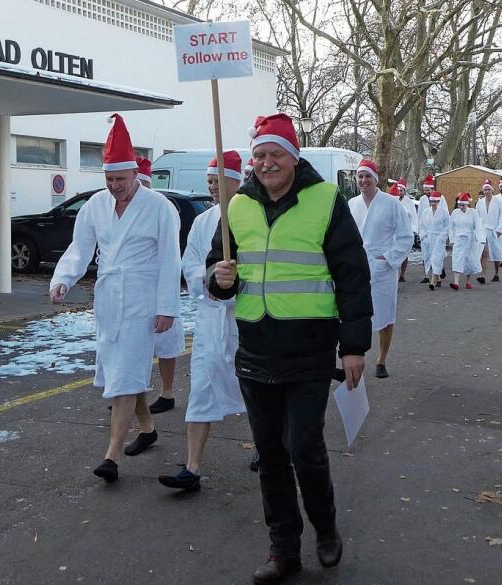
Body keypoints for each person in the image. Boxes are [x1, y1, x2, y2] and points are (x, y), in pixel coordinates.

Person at [208, 113, 372, 583]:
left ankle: (325, 528)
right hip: (255, 351)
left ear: (293, 157)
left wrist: (354, 345)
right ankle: (283, 549)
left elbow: (352, 276)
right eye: (259, 155)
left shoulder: (325, 200)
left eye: (275, 153)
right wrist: (217, 281)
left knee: (304, 447)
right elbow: (216, 273)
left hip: (309, 350)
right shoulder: (236, 205)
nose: (266, 162)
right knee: (270, 455)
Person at [49, 114, 181, 483]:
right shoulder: (94, 207)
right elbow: (81, 248)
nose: (114, 186)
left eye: (120, 179)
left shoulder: (160, 208)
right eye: (109, 179)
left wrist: (168, 307)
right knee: (122, 367)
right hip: (109, 298)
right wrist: (62, 279)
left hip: (144, 298)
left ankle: (111, 456)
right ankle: (148, 428)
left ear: (135, 175)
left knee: (125, 373)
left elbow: (171, 260)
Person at [158, 151, 247, 492]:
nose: (210, 186)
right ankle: (192, 467)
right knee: (201, 390)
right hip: (211, 322)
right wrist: (209, 282)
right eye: (209, 180)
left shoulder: (253, 217)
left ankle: (268, 451)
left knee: (257, 394)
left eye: (216, 180)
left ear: (235, 181)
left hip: (245, 324)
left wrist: (235, 284)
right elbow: (191, 261)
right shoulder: (203, 221)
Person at [348, 160, 413, 379]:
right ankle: (357, 357)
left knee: (385, 314)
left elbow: (406, 236)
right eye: (360, 177)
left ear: (376, 179)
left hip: (382, 267)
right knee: (355, 315)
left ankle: (382, 359)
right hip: (357, 268)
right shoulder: (351, 204)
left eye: (368, 176)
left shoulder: (391, 203)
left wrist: (388, 258)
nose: (364, 181)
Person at [136, 156, 185, 413]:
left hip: (160, 283)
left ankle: (167, 392)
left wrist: (167, 302)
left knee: (165, 344)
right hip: (135, 291)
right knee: (134, 344)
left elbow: (170, 253)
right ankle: (132, 393)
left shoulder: (162, 208)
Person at [448, 193, 485, 290]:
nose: (461, 207)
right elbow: (451, 227)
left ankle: (468, 281)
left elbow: (478, 225)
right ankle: (456, 282)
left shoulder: (473, 212)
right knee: (457, 259)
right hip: (458, 239)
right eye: (459, 205)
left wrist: (480, 238)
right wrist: (452, 240)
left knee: (470, 260)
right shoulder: (455, 212)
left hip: (470, 239)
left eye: (463, 205)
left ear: (467, 204)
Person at [475, 179, 502, 282]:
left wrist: (499, 230)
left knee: (496, 253)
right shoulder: (480, 203)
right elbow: (477, 217)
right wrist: (477, 230)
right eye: (485, 190)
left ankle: (497, 272)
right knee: (484, 253)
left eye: (488, 189)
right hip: (483, 230)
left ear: (492, 190)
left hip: (495, 231)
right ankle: (482, 275)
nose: (487, 192)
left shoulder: (498, 202)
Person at [418, 190, 449, 290]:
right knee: (430, 258)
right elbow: (421, 225)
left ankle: (433, 282)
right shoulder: (426, 212)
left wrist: (442, 237)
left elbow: (447, 226)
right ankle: (438, 279)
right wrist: (423, 236)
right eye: (432, 202)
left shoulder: (444, 212)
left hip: (438, 238)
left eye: (436, 202)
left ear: (439, 202)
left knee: (437, 258)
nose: (433, 204)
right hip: (428, 238)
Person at [396, 178, 418, 282]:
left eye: (401, 190)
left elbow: (413, 216)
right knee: (394, 253)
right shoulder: (392, 200)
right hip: (394, 232)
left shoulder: (409, 202)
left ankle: (402, 274)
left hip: (405, 231)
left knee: (404, 254)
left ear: (404, 191)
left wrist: (413, 230)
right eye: (398, 190)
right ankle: (394, 274)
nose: (399, 192)